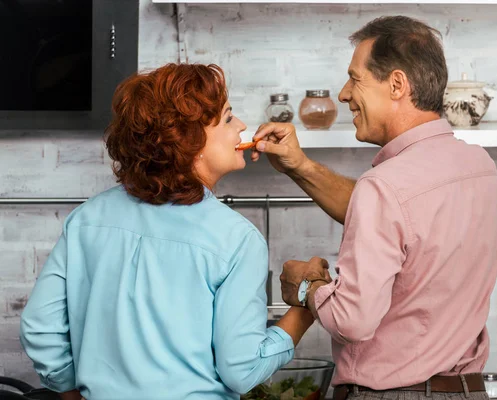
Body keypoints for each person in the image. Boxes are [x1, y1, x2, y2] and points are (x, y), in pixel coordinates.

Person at [19, 63, 315, 400]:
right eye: (229, 117)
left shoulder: (86, 220)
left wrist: (69, 392)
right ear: (192, 140)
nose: (243, 126)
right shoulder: (236, 239)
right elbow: (242, 369)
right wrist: (304, 310)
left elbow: (40, 327)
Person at [251, 16, 497, 400]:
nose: (343, 93)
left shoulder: (384, 187)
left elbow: (351, 320)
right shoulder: (478, 167)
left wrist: (307, 285)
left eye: (355, 78)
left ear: (397, 84)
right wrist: (299, 166)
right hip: (467, 391)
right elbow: (400, 218)